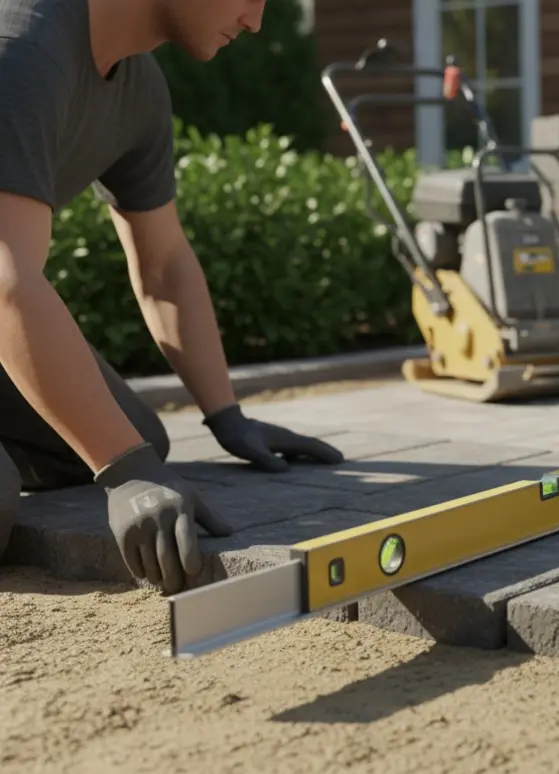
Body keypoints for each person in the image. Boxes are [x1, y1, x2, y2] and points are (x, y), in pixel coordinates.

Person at [0, 0, 346, 594]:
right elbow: (8, 281)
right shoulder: (22, 49)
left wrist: (226, 416)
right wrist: (124, 470)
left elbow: (162, 265)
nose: (256, 21)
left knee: (139, 436)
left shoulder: (139, 89)